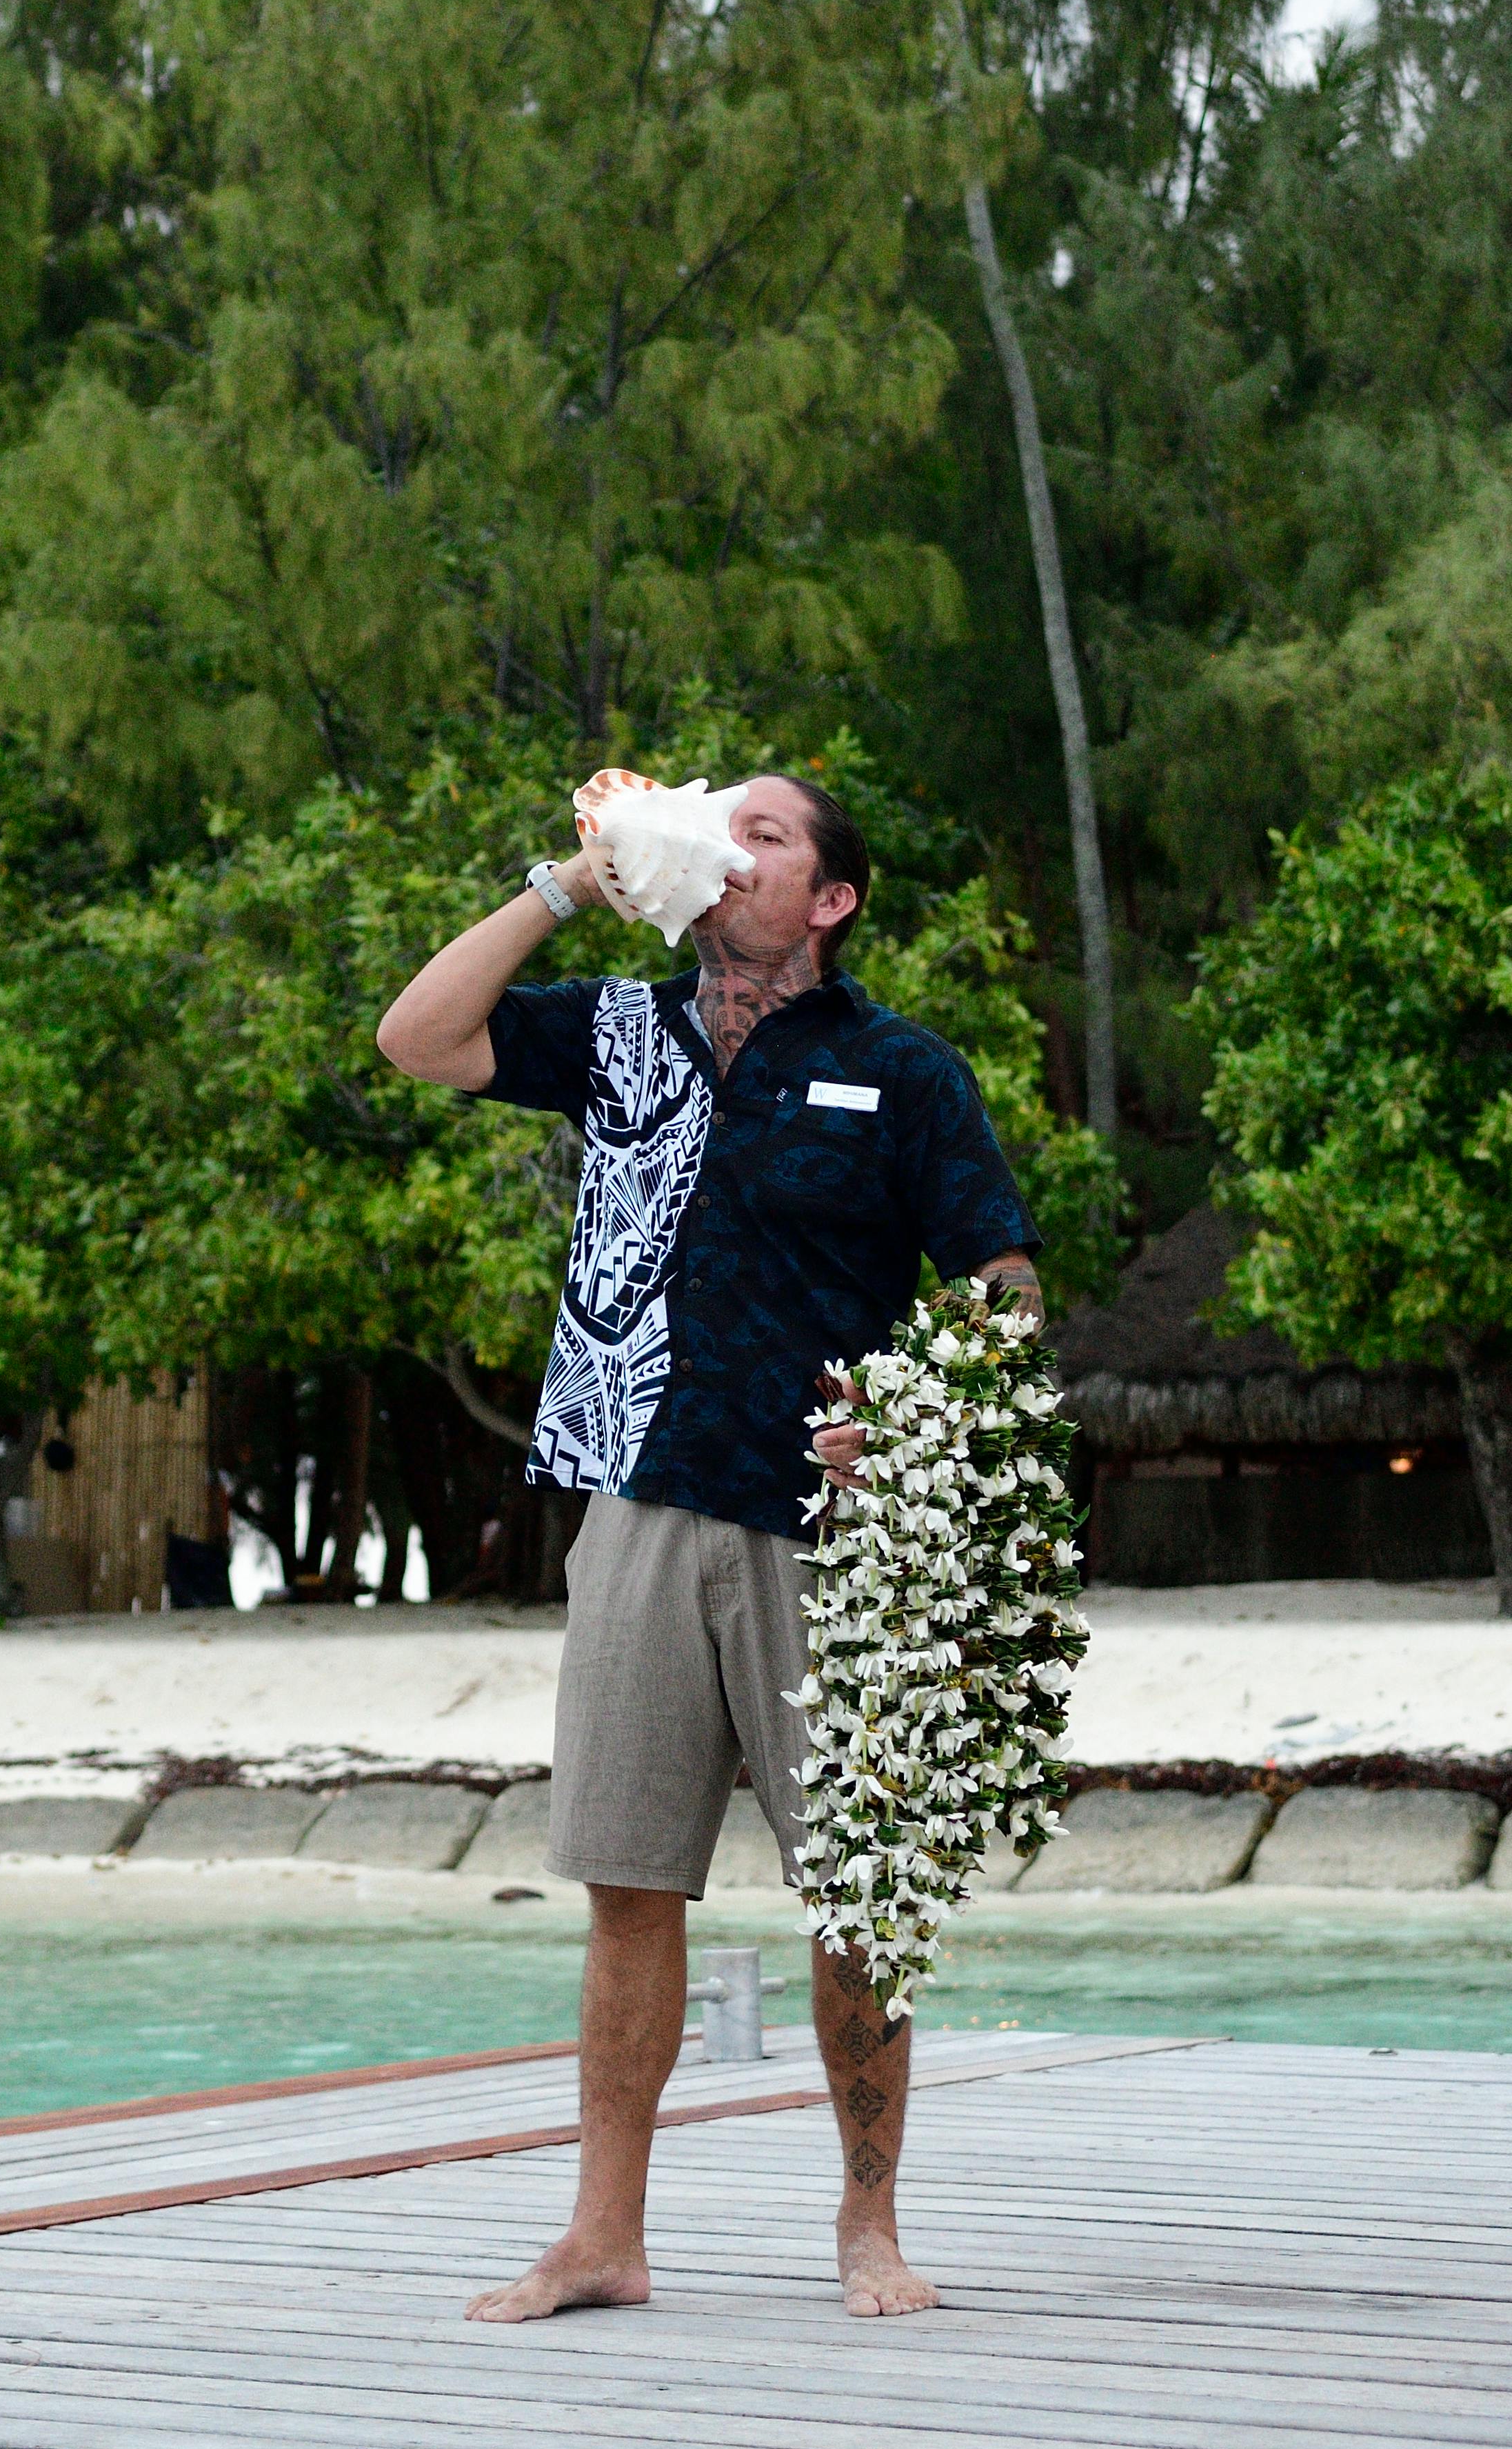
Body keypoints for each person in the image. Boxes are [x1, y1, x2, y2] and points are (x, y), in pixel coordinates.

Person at [376, 772, 1045, 2322]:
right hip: (634, 1498)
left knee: (857, 1894)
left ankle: (866, 2225)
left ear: (827, 899)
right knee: (625, 1883)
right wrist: (565, 878)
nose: (725, 849)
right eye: (715, 823)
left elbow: (1000, 1287)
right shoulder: (617, 1028)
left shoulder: (902, 1070)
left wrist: (920, 1408)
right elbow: (415, 1037)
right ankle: (602, 2233)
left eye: (764, 834)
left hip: (834, 1530)